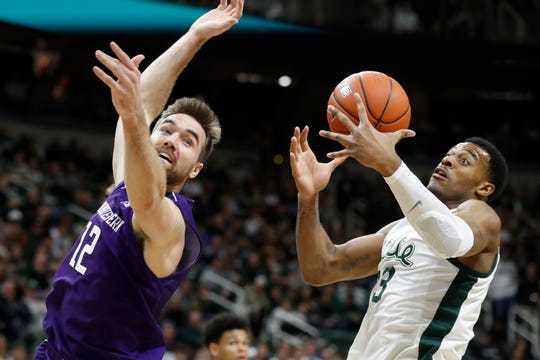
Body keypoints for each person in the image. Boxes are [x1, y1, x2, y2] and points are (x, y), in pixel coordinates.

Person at [33, 1, 244, 359]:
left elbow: (148, 201)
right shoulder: (125, 186)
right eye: (167, 129)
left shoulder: (173, 222)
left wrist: (133, 118)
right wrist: (194, 36)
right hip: (55, 351)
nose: (172, 140)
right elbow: (144, 105)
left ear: (196, 169)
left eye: (188, 141)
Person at [289, 92, 508, 359]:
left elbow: (448, 240)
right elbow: (321, 268)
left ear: (485, 188)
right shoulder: (402, 229)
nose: (447, 160)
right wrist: (308, 197)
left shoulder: (483, 216)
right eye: (449, 155)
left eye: (465, 160)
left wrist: (387, 162)